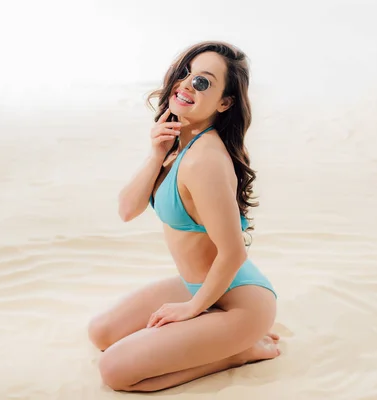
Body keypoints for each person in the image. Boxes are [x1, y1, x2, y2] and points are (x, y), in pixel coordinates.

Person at [88, 41, 280, 392]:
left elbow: (234, 252)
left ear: (225, 102)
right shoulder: (179, 145)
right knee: (101, 334)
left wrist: (192, 308)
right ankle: (216, 332)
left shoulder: (205, 159)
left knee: (115, 370)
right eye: (185, 73)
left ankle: (239, 351)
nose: (187, 84)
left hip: (240, 304)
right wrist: (156, 152)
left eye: (203, 82)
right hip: (200, 284)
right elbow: (127, 210)